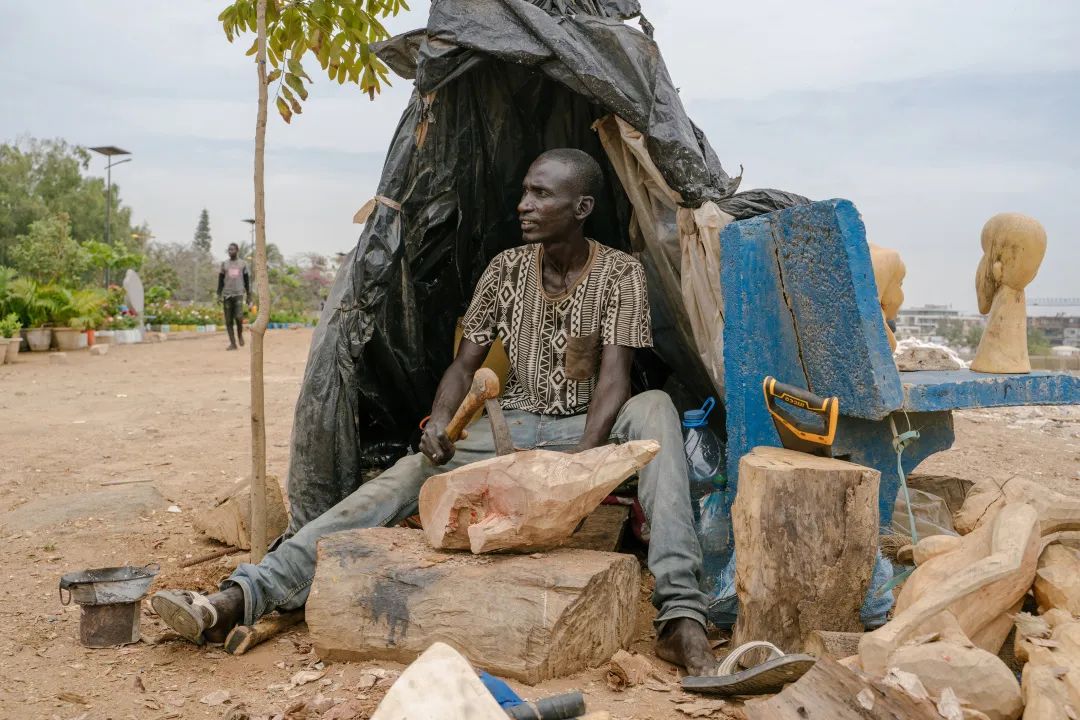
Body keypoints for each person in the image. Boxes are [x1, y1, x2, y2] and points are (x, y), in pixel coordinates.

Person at [152, 149, 720, 676]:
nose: (524, 205)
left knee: (655, 408)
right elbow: (462, 365)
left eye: (541, 195)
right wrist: (443, 424)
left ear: (582, 208)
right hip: (512, 423)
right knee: (404, 475)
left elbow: (614, 378)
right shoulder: (506, 269)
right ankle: (245, 594)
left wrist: (574, 470)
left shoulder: (620, 272)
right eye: (524, 192)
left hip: (583, 429)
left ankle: (679, 615)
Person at [217, 243, 250, 351]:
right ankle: (233, 343)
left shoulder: (243, 264)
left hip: (238, 294)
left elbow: (246, 280)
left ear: (237, 250)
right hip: (227, 295)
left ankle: (240, 335)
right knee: (228, 321)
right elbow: (220, 280)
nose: (230, 251)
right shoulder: (224, 264)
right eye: (229, 250)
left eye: (232, 249)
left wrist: (249, 294)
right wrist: (218, 294)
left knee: (239, 317)